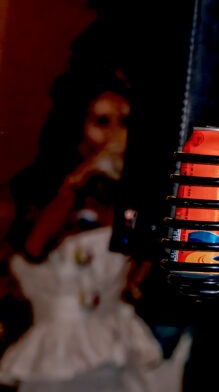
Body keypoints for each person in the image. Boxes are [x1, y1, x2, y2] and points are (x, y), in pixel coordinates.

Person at [0, 69, 187, 392]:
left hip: (112, 348)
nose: (116, 133)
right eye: (102, 122)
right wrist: (78, 181)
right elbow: (33, 248)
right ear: (77, 125)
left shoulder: (135, 197)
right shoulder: (45, 191)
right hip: (53, 353)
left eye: (125, 123)